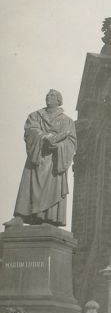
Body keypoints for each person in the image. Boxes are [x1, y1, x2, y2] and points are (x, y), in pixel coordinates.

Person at [13, 89, 77, 226]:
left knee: (52, 186)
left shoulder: (67, 121)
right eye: (47, 95)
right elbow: (30, 130)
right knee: (28, 184)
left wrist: (59, 147)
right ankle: (20, 216)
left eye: (52, 95)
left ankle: (49, 218)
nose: (48, 97)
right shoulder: (35, 116)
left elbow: (71, 141)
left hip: (54, 161)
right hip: (38, 155)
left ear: (59, 100)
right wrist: (43, 137)